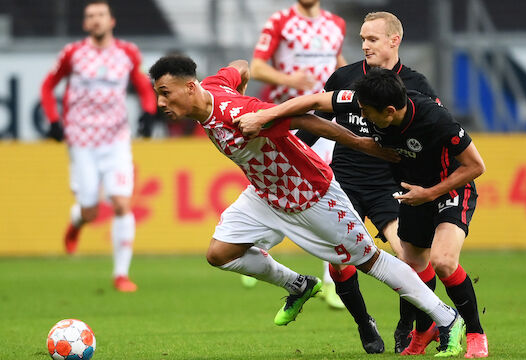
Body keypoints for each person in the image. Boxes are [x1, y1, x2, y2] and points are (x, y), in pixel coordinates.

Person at [148, 54, 466, 357]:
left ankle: (447, 317)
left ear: (190, 87)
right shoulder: (215, 87)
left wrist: (359, 144)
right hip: (265, 194)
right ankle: (299, 286)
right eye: (157, 95)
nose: (160, 103)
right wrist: (239, 83)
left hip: (309, 192)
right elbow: (240, 66)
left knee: (371, 261)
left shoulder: (238, 114)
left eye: (165, 93)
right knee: (219, 254)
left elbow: (304, 119)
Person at [234, 68, 488, 358]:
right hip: (410, 191)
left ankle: (476, 334)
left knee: (442, 262)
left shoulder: (435, 119)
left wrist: (429, 193)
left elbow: (476, 166)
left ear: (390, 111)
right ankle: (420, 333)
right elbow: (314, 103)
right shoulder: (364, 99)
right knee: (414, 264)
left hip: (448, 189)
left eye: (367, 113)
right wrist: (265, 116)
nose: (362, 118)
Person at [293, 11, 442, 353]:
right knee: (339, 260)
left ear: (394, 40)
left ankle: (408, 324)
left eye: (372, 39)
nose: (364, 46)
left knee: (410, 258)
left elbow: (437, 134)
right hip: (344, 181)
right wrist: (296, 153)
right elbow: (316, 122)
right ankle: (365, 323)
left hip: (392, 183)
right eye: (362, 39)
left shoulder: (417, 85)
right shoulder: (344, 77)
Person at [40, 0, 157, 292]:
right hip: (81, 141)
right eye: (90, 16)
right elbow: (47, 85)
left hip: (116, 139)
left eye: (100, 15)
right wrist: (54, 120)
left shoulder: (127, 52)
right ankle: (77, 222)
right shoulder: (73, 53)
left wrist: (148, 112)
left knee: (121, 203)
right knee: (91, 210)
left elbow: (144, 86)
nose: (96, 20)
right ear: (85, 24)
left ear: (111, 21)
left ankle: (121, 274)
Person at [249, 0, 347, 312]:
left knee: (327, 191)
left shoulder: (336, 24)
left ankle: (331, 282)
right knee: (281, 191)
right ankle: (256, 246)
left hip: (322, 120)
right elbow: (257, 67)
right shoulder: (280, 21)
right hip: (284, 121)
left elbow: (339, 65)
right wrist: (292, 81)